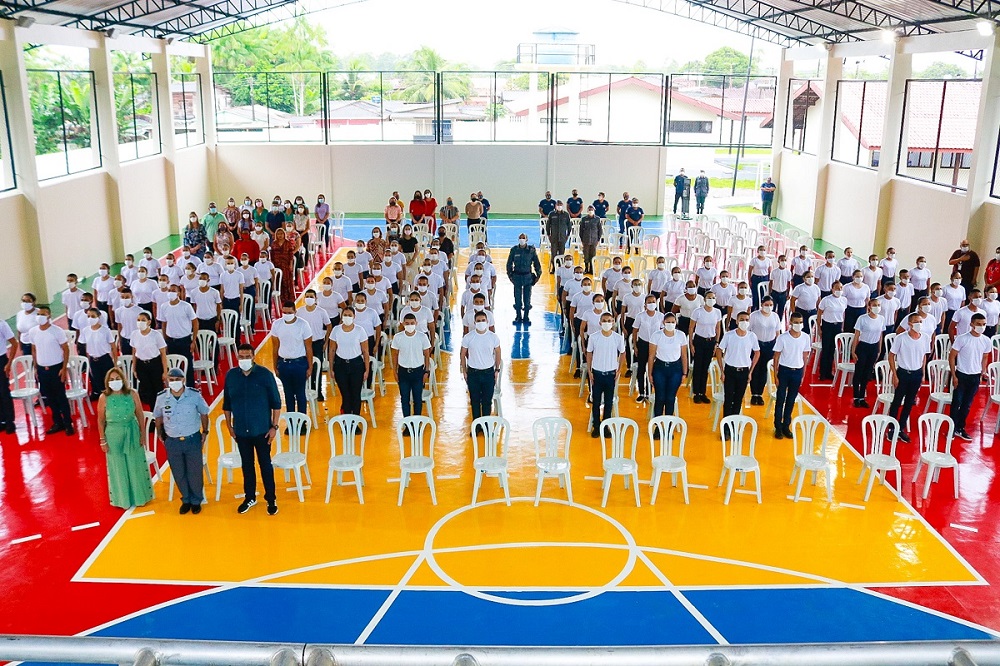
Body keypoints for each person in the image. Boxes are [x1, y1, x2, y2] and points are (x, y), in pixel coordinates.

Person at [224, 344, 282, 516]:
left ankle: (271, 499)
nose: (244, 360)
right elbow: (227, 404)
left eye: (247, 356)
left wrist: (274, 427)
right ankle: (250, 497)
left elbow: (276, 403)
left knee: (265, 465)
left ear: (253, 356)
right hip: (241, 432)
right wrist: (229, 426)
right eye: (241, 357)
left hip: (262, 431)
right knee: (247, 466)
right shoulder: (231, 376)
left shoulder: (265, 375)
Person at [154, 367, 210, 514]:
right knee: (178, 472)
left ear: (183, 380)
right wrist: (160, 434)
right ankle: (186, 499)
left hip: (192, 439)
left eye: (178, 379)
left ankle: (196, 500)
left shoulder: (194, 395)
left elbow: (204, 413)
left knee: (195, 472)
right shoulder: (161, 397)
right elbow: (158, 417)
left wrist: (205, 431)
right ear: (167, 381)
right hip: (172, 441)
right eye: (171, 380)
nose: (174, 382)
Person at [97, 367, 153, 510]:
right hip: (113, 435)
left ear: (123, 380)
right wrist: (102, 440)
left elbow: (140, 414)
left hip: (132, 432)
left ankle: (140, 497)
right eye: (111, 380)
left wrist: (142, 434)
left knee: (135, 465)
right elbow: (101, 420)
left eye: (117, 379)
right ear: (107, 382)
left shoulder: (132, 394)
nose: (114, 382)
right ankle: (122, 500)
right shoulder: (104, 397)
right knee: (118, 467)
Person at [25, 306, 74, 436]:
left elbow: (66, 349)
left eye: (43, 314)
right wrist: (36, 368)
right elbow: (34, 350)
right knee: (50, 398)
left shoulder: (57, 331)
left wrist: (64, 368)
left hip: (56, 369)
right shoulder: (33, 332)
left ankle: (68, 423)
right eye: (39, 314)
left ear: (49, 316)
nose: (40, 316)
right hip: (42, 370)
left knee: (61, 397)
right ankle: (58, 422)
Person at [888, 313, 932, 442]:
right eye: (916, 322)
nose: (919, 324)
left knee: (909, 403)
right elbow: (891, 356)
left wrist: (923, 373)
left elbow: (924, 356)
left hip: (916, 374)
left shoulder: (925, 338)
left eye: (920, 322)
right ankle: (892, 429)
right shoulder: (901, 338)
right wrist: (894, 375)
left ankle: (901, 428)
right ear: (910, 324)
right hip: (903, 373)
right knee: (897, 402)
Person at [949, 313, 991, 440]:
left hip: (975, 376)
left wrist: (982, 372)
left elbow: (985, 357)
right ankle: (952, 428)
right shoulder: (962, 339)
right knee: (957, 402)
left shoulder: (986, 340)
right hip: (961, 374)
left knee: (967, 404)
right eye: (978, 324)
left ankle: (960, 428)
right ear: (972, 324)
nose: (981, 327)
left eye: (984, 324)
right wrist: (954, 375)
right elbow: (952, 356)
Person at [772, 312, 812, 439]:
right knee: (780, 399)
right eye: (795, 322)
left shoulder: (805, 338)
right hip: (784, 371)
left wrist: (803, 373)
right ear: (790, 323)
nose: (798, 325)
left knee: (791, 400)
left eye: (800, 322)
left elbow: (805, 357)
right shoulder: (782, 338)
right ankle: (778, 427)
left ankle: (786, 426)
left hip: (797, 371)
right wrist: (775, 375)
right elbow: (776, 357)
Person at [587, 312, 625, 438]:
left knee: (609, 402)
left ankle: (606, 426)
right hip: (597, 374)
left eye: (609, 320)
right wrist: (589, 370)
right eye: (604, 320)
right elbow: (589, 353)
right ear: (600, 322)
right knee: (596, 401)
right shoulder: (594, 337)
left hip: (610, 374)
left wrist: (619, 369)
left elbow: (623, 353)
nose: (606, 323)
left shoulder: (618, 338)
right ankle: (596, 425)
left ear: (613, 322)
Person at [271, 301, 313, 415]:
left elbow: (309, 348)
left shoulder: (303, 325)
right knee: (288, 394)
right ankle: (291, 420)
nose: (287, 315)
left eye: (289, 312)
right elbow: (275, 347)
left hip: (299, 363)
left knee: (300, 394)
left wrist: (310, 367)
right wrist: (275, 366)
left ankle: (302, 420)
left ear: (295, 311)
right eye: (284, 312)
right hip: (283, 363)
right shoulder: (277, 325)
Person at [716, 312, 760, 419]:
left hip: (744, 371)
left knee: (738, 399)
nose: (744, 322)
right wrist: (722, 370)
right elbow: (719, 350)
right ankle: (726, 424)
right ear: (736, 321)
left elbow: (757, 352)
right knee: (728, 398)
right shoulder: (729, 335)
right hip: (730, 371)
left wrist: (750, 371)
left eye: (747, 320)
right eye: (741, 319)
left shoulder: (752, 336)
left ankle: (734, 422)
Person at [461, 311, 502, 421]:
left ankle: (486, 425)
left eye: (483, 320)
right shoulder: (468, 337)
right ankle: (477, 425)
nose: (481, 322)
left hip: (488, 373)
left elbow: (498, 352)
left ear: (487, 321)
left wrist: (497, 369)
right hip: (473, 373)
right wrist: (464, 371)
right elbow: (462, 354)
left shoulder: (493, 337)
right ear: (474, 322)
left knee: (487, 402)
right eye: (478, 321)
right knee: (474, 401)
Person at [648, 312, 688, 419]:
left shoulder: (681, 335)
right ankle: (658, 423)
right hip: (660, 368)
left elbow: (684, 355)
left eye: (673, 322)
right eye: (668, 322)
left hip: (675, 369)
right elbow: (651, 356)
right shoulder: (656, 336)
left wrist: (684, 373)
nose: (670, 324)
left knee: (670, 398)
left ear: (676, 322)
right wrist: (650, 374)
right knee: (660, 397)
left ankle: (668, 423)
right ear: (663, 322)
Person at [391, 313, 431, 418]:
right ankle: (407, 422)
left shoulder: (422, 337)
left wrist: (426, 371)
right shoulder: (398, 337)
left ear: (416, 323)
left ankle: (416, 421)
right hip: (403, 372)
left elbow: (427, 355)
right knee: (404, 399)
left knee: (418, 399)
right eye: (407, 323)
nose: (410, 325)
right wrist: (394, 371)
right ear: (403, 324)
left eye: (412, 323)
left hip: (418, 372)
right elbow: (395, 355)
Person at [850, 299, 885, 408]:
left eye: (878, 305)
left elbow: (880, 335)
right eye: (874, 305)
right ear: (869, 306)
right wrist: (853, 351)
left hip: (873, 347)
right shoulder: (862, 319)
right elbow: (856, 335)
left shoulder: (881, 319)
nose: (877, 307)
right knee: (859, 372)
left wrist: (879, 349)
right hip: (863, 347)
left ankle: (862, 397)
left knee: (867, 373)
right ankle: (856, 397)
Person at [689, 293, 722, 404]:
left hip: (710, 342)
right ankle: (696, 393)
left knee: (705, 367)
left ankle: (702, 392)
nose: (711, 300)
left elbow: (718, 328)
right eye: (709, 298)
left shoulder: (717, 312)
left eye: (713, 298)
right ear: (704, 299)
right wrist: (691, 344)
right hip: (699, 341)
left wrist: (716, 342)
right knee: (698, 367)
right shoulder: (697, 312)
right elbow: (691, 328)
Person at [130, 311, 167, 408]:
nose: (140, 322)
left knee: (158, 389)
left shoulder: (156, 335)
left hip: (154, 364)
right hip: (141, 365)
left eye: (143, 320)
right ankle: (152, 412)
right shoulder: (134, 334)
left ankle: (161, 411)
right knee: (147, 390)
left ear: (149, 322)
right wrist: (134, 368)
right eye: (138, 320)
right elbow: (134, 352)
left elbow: (163, 354)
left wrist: (165, 371)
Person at [748, 297, 781, 405]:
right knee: (755, 368)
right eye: (766, 304)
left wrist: (777, 347)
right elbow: (748, 331)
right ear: (762, 304)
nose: (768, 307)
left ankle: (760, 394)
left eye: (771, 305)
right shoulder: (754, 316)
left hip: (770, 345)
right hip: (757, 345)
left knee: (764, 370)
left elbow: (778, 333)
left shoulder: (775, 316)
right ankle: (754, 394)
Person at [79, 308, 117, 398]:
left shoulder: (105, 330)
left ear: (99, 317)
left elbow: (113, 347)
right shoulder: (85, 331)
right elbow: (86, 347)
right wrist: (89, 361)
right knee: (98, 383)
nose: (90, 318)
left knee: (109, 383)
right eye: (88, 316)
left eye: (93, 316)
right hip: (93, 360)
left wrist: (115, 363)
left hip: (105, 359)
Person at [506, 232, 542, 326]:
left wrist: (538, 275)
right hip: (517, 277)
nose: (522, 239)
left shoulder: (531, 250)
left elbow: (536, 263)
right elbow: (509, 263)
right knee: (517, 298)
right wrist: (510, 275)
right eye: (520, 238)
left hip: (527, 277)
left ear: (527, 239)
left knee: (527, 298)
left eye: (523, 238)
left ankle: (526, 316)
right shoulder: (514, 250)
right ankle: (518, 316)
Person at [817, 283, 846, 381]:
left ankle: (829, 372)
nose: (839, 290)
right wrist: (819, 328)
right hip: (827, 325)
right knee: (826, 349)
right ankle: (822, 372)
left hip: (837, 326)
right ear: (832, 289)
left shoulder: (844, 300)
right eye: (837, 288)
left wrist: (842, 326)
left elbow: (843, 314)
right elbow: (819, 313)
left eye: (841, 288)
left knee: (832, 349)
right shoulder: (826, 300)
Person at [269, 228, 297, 305]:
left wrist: (290, 264)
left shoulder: (288, 243)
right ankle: (280, 297)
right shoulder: (274, 243)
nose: (280, 235)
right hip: (276, 264)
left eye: (281, 234)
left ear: (284, 234)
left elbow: (291, 255)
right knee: (278, 280)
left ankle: (288, 297)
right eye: (278, 234)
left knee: (286, 281)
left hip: (286, 264)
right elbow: (272, 255)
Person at [546, 201, 571, 273]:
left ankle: (560, 267)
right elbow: (548, 225)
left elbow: (569, 225)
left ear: (562, 206)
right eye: (558, 205)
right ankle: (554, 267)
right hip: (554, 237)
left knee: (561, 253)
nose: (559, 206)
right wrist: (548, 234)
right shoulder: (552, 214)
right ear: (555, 206)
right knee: (553, 253)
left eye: (560, 205)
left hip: (562, 237)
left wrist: (568, 235)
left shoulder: (566, 215)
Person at [0, 317, 14, 435]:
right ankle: (2, 420)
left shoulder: (2, 324)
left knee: (4, 391)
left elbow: (14, 343)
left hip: (1, 360)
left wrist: (8, 363)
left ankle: (10, 421)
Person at [748, 245, 772, 311]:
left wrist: (770, 281)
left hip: (765, 278)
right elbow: (750, 271)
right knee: (755, 296)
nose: (762, 251)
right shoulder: (754, 260)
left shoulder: (768, 260)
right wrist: (749, 280)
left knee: (763, 296)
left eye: (764, 250)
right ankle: (754, 310)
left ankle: (762, 309)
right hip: (756, 278)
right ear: (758, 251)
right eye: (761, 250)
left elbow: (770, 271)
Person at [579, 206, 602, 275]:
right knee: (586, 254)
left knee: (593, 254)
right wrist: (582, 239)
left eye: (592, 210)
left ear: (594, 210)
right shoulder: (584, 219)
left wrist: (598, 239)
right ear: (587, 211)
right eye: (589, 210)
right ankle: (586, 268)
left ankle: (592, 269)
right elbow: (581, 230)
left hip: (594, 240)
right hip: (586, 240)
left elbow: (600, 230)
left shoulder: (597, 219)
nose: (590, 211)